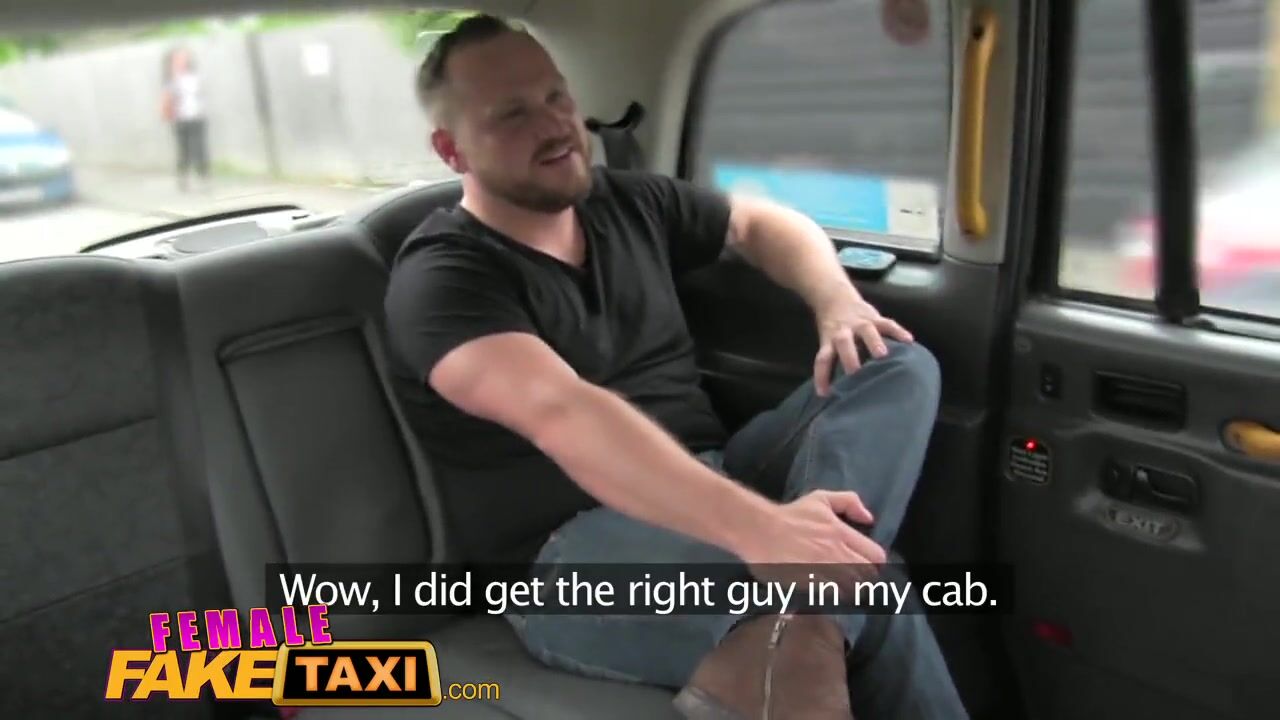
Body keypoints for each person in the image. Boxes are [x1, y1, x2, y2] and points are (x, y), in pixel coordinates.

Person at [384, 14, 966, 720]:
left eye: (557, 96)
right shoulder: (443, 280)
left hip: (715, 473)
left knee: (892, 363)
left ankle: (801, 596)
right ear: (452, 150)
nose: (555, 124)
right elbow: (563, 411)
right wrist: (762, 530)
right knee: (872, 589)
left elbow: (761, 222)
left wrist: (837, 303)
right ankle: (800, 599)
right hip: (570, 552)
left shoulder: (628, 202)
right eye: (513, 113)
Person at [161, 47, 210, 192]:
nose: (182, 62)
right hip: (180, 119)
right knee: (184, 150)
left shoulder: (194, 77)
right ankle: (183, 177)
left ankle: (203, 177)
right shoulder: (171, 80)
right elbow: (167, 99)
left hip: (197, 116)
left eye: (184, 59)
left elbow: (201, 94)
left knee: (200, 148)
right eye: (178, 59)